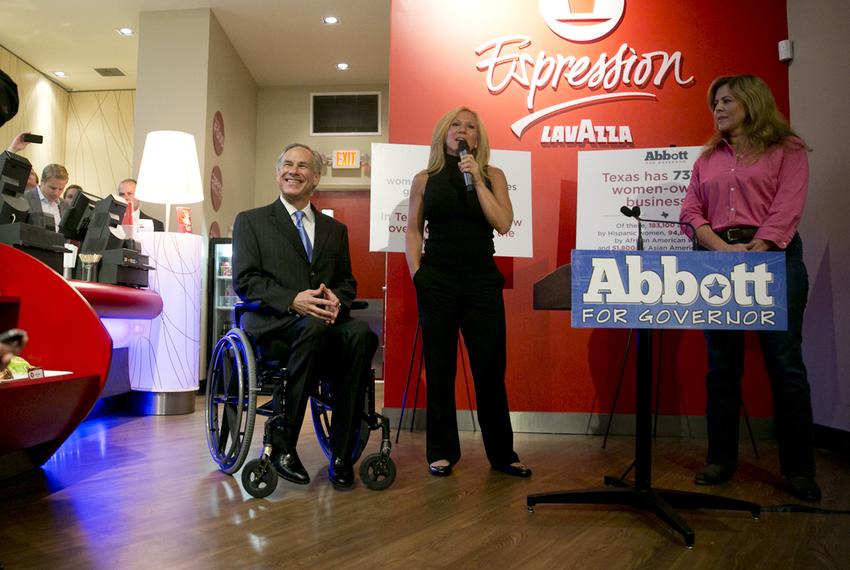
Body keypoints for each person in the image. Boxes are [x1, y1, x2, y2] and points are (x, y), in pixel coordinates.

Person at [680, 74, 820, 502]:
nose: (718, 109)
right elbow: (690, 210)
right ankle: (720, 459)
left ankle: (799, 469)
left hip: (774, 257)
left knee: (785, 365)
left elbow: (788, 206)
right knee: (722, 366)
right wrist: (721, 249)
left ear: (751, 102)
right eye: (714, 103)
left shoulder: (787, 148)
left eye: (726, 100)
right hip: (719, 259)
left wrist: (753, 250)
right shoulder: (707, 158)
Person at [232, 143, 377, 489]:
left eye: (302, 166)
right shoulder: (251, 221)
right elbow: (246, 281)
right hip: (274, 325)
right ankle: (284, 443)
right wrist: (293, 300)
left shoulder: (333, 230)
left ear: (316, 177)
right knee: (311, 327)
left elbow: (346, 281)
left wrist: (336, 301)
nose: (293, 171)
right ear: (277, 171)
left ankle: (341, 454)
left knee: (361, 334)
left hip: (324, 325)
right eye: (287, 164)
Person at [405, 107, 530, 478]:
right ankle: (442, 452)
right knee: (440, 369)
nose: (462, 131)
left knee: (490, 370)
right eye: (455, 126)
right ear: (443, 134)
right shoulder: (424, 179)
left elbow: (504, 223)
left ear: (478, 139)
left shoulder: (493, 175)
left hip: (481, 282)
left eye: (470, 127)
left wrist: (477, 179)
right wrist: (417, 274)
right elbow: (412, 229)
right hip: (437, 280)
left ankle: (502, 454)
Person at [24, 163, 68, 229]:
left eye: (61, 189)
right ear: (42, 181)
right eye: (52, 188)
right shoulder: (25, 198)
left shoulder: (65, 205)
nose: (56, 193)